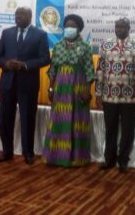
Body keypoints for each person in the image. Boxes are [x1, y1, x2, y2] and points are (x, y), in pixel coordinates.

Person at [0, 6, 50, 165]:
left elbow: (45, 58)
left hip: (28, 85)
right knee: (5, 119)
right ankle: (7, 152)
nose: (18, 17)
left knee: (27, 119)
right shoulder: (7, 33)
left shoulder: (40, 35)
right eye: (16, 14)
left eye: (22, 14)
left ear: (30, 16)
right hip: (7, 83)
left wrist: (25, 65)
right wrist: (6, 64)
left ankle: (28, 153)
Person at [95, 18, 135, 173]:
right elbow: (100, 70)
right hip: (109, 95)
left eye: (123, 26)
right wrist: (98, 93)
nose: (119, 29)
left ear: (129, 28)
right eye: (117, 26)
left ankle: (123, 160)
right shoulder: (106, 44)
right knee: (110, 128)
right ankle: (109, 159)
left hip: (130, 97)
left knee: (127, 129)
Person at [42, 14, 95, 167]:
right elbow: (52, 70)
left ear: (79, 29)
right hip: (60, 90)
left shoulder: (85, 47)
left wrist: (87, 90)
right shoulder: (58, 46)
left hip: (79, 88)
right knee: (60, 120)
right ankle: (56, 156)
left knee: (77, 120)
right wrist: (51, 88)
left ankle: (77, 158)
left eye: (72, 26)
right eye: (67, 26)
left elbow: (90, 71)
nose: (69, 29)